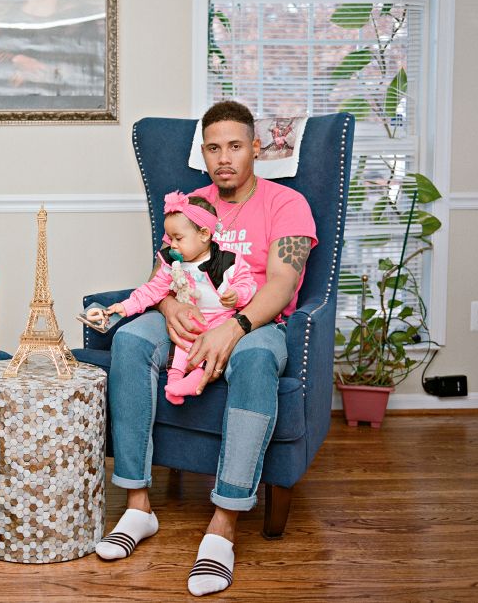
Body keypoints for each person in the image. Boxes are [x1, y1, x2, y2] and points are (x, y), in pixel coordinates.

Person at [95, 100, 316, 597]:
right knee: (129, 339)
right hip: (192, 313)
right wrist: (170, 308)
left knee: (258, 361)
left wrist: (235, 326)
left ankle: (224, 523)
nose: (224, 158)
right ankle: (137, 506)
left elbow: (282, 284)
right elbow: (163, 276)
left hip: (255, 321)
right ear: (203, 152)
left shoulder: (286, 204)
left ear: (255, 148)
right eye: (213, 148)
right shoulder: (190, 203)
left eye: (235, 146)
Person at [104, 192, 255, 404]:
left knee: (209, 344)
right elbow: (153, 289)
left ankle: (196, 378)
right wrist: (125, 306)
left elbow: (247, 283)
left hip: (221, 317)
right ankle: (174, 379)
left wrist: (237, 294)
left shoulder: (227, 260)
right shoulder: (172, 263)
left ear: (204, 234)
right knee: (183, 337)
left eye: (178, 238)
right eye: (170, 238)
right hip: (192, 315)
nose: (172, 245)